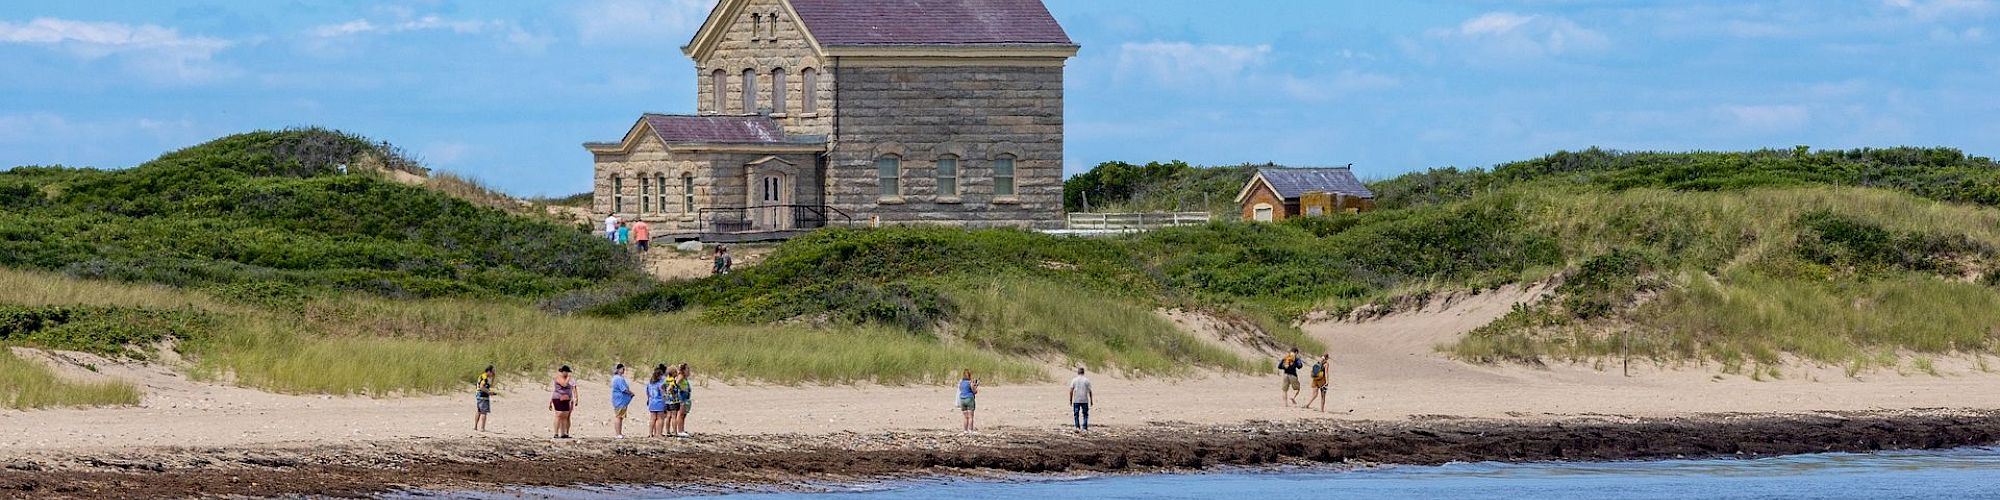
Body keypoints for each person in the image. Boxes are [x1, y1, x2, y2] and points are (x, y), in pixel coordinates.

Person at [550, 365, 577, 439]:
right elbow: (564, 384)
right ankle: (556, 433)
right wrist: (568, 378)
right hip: (558, 398)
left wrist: (575, 397)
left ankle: (563, 433)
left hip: (566, 398)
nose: (567, 374)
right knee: (559, 415)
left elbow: (573, 387)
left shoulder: (569, 379)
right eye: (566, 372)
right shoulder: (558, 378)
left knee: (565, 416)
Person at [609, 363, 635, 439]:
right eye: (622, 369)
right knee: (619, 417)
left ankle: (620, 433)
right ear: (618, 370)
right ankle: (618, 433)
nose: (623, 370)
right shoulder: (618, 379)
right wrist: (631, 393)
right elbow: (623, 389)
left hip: (620, 400)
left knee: (620, 417)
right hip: (620, 400)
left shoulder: (616, 378)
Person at [646, 364, 669, 438]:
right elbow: (663, 394)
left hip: (652, 402)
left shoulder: (650, 384)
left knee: (652, 418)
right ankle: (658, 433)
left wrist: (648, 400)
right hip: (659, 402)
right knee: (660, 418)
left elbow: (647, 393)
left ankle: (650, 433)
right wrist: (665, 402)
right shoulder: (661, 384)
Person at [1068, 366, 1093, 432]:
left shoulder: (1074, 380)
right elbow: (1090, 391)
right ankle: (1084, 427)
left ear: (1078, 372)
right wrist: (1091, 400)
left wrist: (1070, 400)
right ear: (1083, 372)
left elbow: (1071, 390)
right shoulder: (1086, 380)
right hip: (1085, 399)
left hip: (1076, 399)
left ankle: (1077, 427)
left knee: (1076, 414)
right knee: (1085, 414)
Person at [662, 366, 683, 437]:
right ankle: (675, 432)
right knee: (674, 416)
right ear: (673, 373)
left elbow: (662, 387)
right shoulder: (673, 381)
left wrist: (665, 394)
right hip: (673, 401)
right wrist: (673, 394)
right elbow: (671, 388)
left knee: (668, 416)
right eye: (676, 372)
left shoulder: (666, 380)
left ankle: (668, 431)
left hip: (667, 400)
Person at [674, 363, 694, 437]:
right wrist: (680, 389)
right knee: (680, 414)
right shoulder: (681, 376)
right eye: (687, 369)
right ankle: (679, 430)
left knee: (684, 414)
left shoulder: (685, 378)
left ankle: (682, 429)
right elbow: (676, 383)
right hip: (682, 397)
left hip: (686, 397)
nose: (688, 370)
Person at [473, 365, 495, 432]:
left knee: (479, 411)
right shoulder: (485, 377)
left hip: (478, 395)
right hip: (483, 396)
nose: (493, 374)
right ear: (489, 371)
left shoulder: (482, 376)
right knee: (483, 412)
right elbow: (482, 387)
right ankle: (482, 428)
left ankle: (475, 426)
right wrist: (489, 392)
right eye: (493, 372)